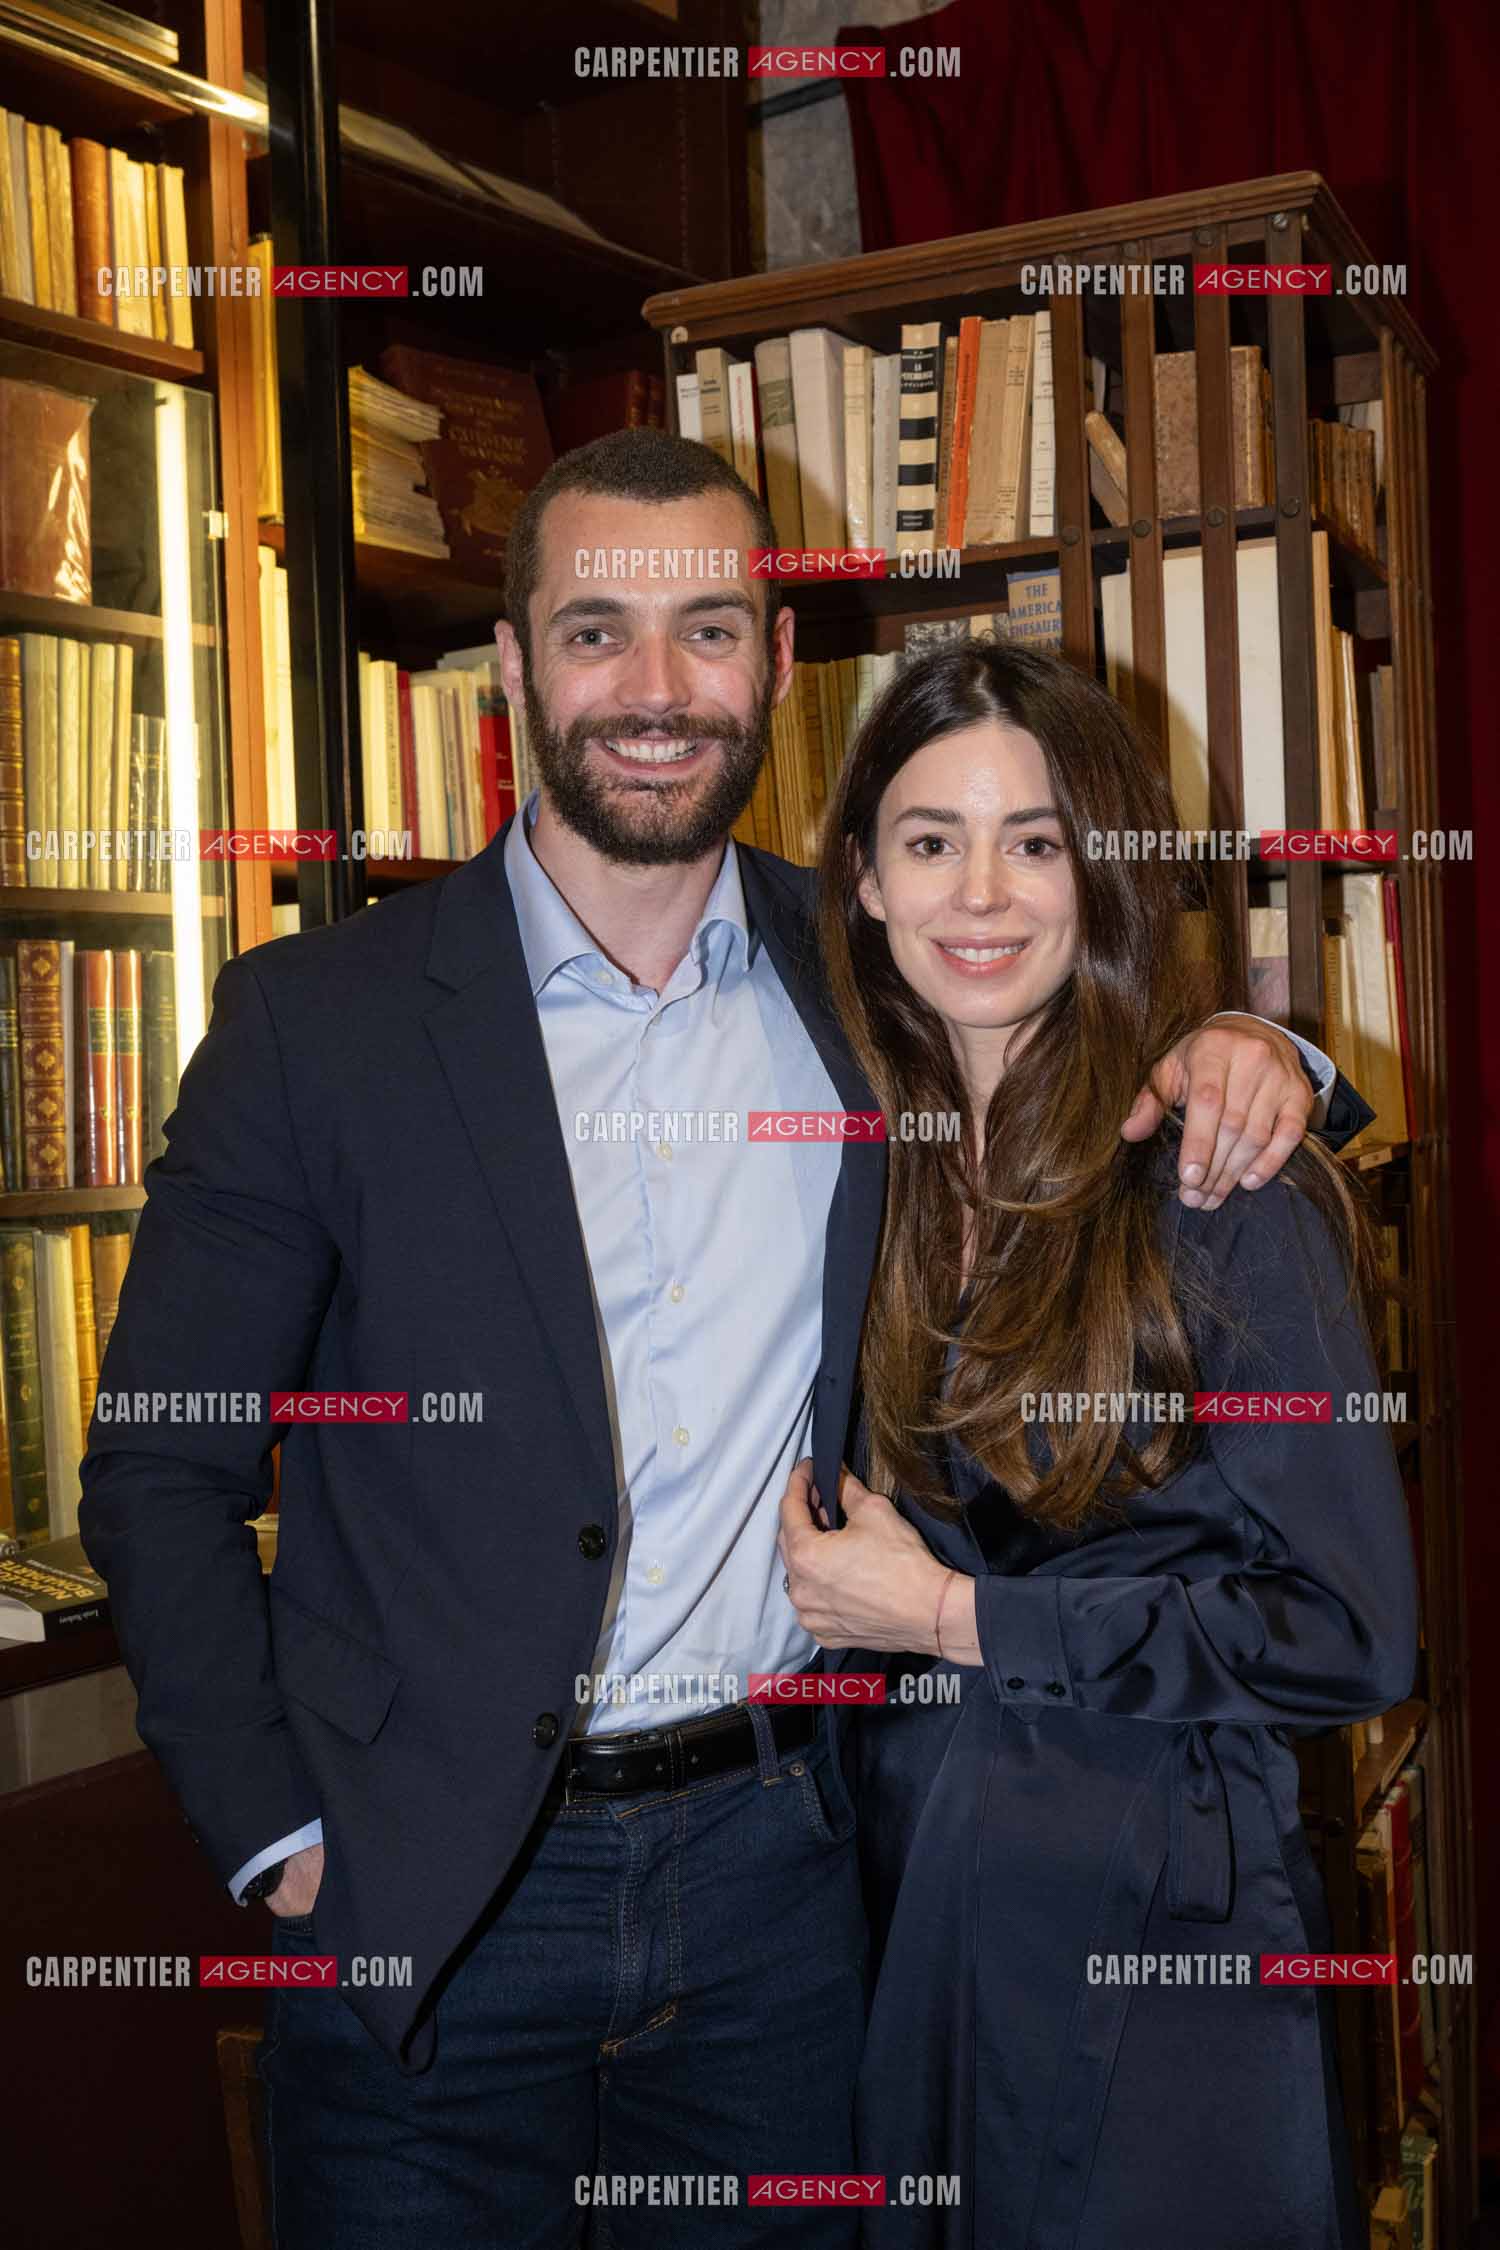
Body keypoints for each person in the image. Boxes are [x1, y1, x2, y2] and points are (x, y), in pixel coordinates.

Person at [78, 433, 1357, 2250]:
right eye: (597, 630)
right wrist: (278, 1835)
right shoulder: (316, 1023)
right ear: (514, 665)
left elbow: (1072, 1017)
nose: (658, 688)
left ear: (774, 662)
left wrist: (1259, 1052)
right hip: (431, 1893)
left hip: (786, 1885)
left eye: (708, 629)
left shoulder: (870, 976)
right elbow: (161, 1461)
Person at [778, 637, 1419, 2250]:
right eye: (932, 840)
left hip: (1158, 1919)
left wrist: (959, 1617)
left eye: (1037, 841)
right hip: (913, 1894)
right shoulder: (864, 1160)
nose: (981, 892)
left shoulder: (1217, 1182)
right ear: (863, 880)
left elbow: (1353, 1630)